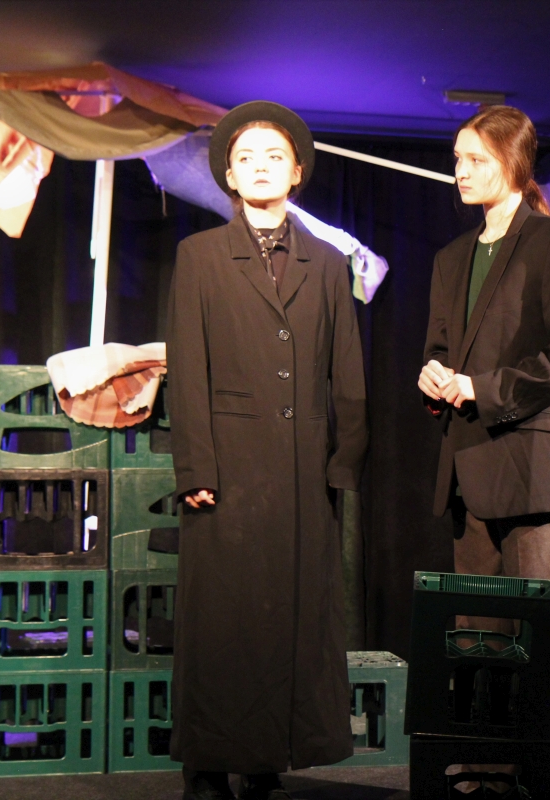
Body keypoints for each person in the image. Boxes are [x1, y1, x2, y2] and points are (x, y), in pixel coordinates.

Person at [166, 101, 368, 800]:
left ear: (297, 172)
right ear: (228, 174)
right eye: (246, 157)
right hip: (227, 470)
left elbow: (348, 367)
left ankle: (264, 760)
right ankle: (206, 764)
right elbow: (187, 368)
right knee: (221, 621)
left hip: (303, 471)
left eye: (274, 156)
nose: (260, 166)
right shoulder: (199, 257)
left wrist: (342, 462)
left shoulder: (328, 263)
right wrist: (196, 466)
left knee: (288, 619)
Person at [418, 105, 550, 799]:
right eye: (457, 159)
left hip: (536, 469)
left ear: (514, 163)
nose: (459, 172)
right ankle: (485, 766)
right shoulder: (451, 258)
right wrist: (435, 378)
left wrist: (483, 388)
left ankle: (545, 774)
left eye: (475, 159)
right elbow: (443, 349)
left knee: (542, 635)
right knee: (479, 636)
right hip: (471, 465)